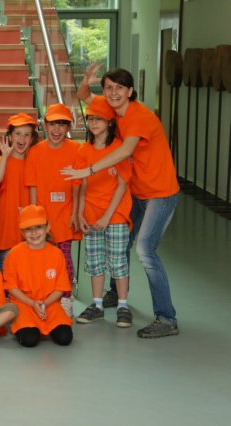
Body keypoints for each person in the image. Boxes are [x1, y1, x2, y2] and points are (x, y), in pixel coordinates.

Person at [62, 64, 180, 338]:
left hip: (160, 192)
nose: (113, 93)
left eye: (119, 88)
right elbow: (83, 96)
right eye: (108, 88)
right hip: (138, 192)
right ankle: (116, 294)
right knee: (122, 244)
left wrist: (89, 170)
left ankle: (167, 317)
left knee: (145, 250)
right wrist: (86, 81)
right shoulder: (113, 109)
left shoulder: (139, 116)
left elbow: (126, 149)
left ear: (130, 91)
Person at [73, 96, 133, 328]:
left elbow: (122, 184)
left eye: (99, 119)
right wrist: (80, 213)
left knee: (118, 262)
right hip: (90, 215)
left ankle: (123, 306)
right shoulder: (83, 150)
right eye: (90, 119)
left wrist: (107, 216)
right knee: (95, 262)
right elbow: (81, 185)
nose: (93, 123)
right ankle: (97, 305)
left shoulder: (119, 148)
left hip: (115, 215)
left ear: (109, 121)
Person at [25, 104, 81, 317]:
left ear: (68, 127)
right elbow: (32, 186)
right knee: (40, 259)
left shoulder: (76, 149)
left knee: (64, 259)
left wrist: (76, 212)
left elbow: (78, 185)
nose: (57, 129)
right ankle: (43, 297)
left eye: (62, 124)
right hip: (42, 217)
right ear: (45, 125)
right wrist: (34, 217)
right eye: (53, 124)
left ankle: (65, 298)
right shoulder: (35, 152)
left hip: (65, 215)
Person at [3, 205, 74, 347]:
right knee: (29, 340)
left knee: (65, 338)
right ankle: (18, 323)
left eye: (38, 227)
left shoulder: (56, 254)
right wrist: (32, 303)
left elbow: (60, 288)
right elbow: (11, 287)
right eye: (28, 229)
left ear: (48, 227)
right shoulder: (14, 254)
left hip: (50, 304)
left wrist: (44, 304)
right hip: (24, 304)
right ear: (22, 232)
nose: (34, 233)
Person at [0, 113, 39, 272]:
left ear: (32, 139)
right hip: (8, 224)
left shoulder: (33, 161)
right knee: (7, 266)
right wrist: (5, 156)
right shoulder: (2, 161)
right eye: (18, 134)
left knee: (27, 268)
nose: (22, 138)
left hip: (28, 224)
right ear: (10, 137)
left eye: (27, 135)